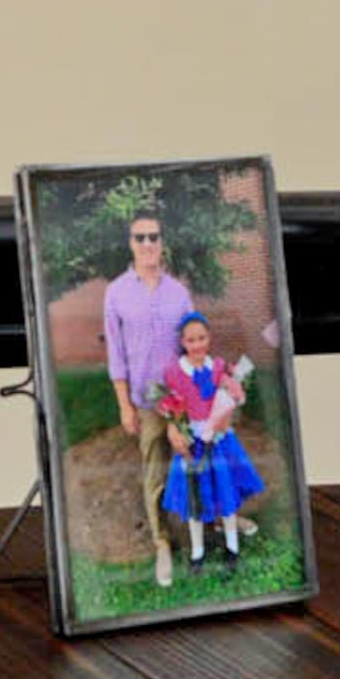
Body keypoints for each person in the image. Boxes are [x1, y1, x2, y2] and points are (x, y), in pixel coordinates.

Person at [99, 211, 201, 588]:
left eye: (153, 237)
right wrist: (125, 404)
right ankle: (162, 541)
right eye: (140, 238)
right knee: (155, 473)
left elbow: (193, 346)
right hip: (146, 402)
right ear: (130, 243)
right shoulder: (116, 293)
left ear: (162, 242)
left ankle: (210, 525)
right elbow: (116, 356)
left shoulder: (179, 292)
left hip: (183, 399)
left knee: (197, 462)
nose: (147, 244)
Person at [152, 314, 267, 564]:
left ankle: (232, 547)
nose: (197, 345)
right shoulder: (174, 373)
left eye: (202, 338)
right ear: (183, 342)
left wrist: (231, 402)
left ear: (209, 338)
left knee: (225, 490)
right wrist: (175, 426)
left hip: (220, 441)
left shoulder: (217, 367)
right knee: (196, 496)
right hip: (193, 443)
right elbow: (170, 405)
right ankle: (197, 551)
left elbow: (229, 394)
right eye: (191, 340)